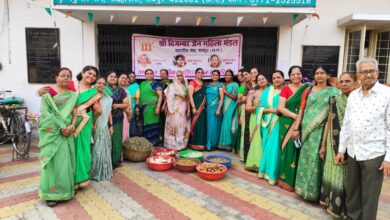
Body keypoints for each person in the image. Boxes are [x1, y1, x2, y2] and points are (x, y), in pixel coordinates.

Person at [336, 57, 390, 220]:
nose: (367, 74)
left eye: (371, 71)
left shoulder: (387, 94)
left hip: (374, 154)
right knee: (353, 193)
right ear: (358, 75)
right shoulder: (353, 96)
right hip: (354, 152)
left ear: (377, 73)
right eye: (363, 72)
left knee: (370, 196)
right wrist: (341, 150)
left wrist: (388, 159)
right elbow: (346, 124)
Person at [293, 66, 340, 201]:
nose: (319, 75)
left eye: (322, 73)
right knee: (305, 159)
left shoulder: (334, 91)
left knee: (317, 162)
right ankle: (302, 190)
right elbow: (302, 110)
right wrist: (296, 128)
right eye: (317, 73)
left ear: (327, 75)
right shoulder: (308, 90)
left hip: (320, 131)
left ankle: (314, 193)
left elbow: (332, 114)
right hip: (306, 130)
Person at [319, 72, 357, 218]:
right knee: (331, 171)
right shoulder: (333, 100)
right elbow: (329, 122)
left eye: (348, 81)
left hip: (351, 143)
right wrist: (323, 145)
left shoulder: (359, 100)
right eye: (341, 81)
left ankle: (344, 208)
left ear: (355, 83)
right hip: (332, 141)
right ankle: (329, 203)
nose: (344, 84)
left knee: (344, 175)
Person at [38, 68, 78, 207]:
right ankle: (51, 194)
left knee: (65, 162)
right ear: (56, 77)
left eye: (68, 76)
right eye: (63, 76)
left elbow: (75, 114)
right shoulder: (47, 93)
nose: (66, 78)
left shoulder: (73, 95)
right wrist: (61, 126)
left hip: (67, 133)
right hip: (53, 133)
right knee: (52, 163)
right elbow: (45, 112)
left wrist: (71, 127)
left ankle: (65, 191)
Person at [278, 66, 309, 192]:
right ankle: (285, 180)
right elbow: (281, 107)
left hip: (302, 123)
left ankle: (297, 180)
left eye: (298, 74)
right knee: (288, 150)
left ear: (302, 75)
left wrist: (300, 119)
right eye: (293, 74)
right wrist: (295, 116)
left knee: (298, 150)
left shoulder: (307, 88)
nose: (296, 76)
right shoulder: (285, 89)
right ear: (289, 76)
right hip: (287, 122)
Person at [73, 66, 101, 189]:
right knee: (71, 148)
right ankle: (71, 178)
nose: (91, 77)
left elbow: (97, 110)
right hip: (70, 120)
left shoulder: (94, 92)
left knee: (84, 148)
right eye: (89, 73)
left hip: (85, 120)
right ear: (83, 73)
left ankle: (81, 178)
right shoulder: (72, 85)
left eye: (94, 76)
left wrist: (98, 110)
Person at [258, 71, 284, 185]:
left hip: (280, 121)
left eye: (279, 77)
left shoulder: (287, 90)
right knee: (268, 147)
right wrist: (272, 110)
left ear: (283, 78)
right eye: (274, 78)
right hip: (267, 122)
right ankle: (265, 171)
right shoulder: (267, 91)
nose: (276, 79)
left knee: (275, 148)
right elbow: (259, 108)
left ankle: (273, 174)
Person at [90, 77, 114, 181]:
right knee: (92, 148)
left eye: (103, 84)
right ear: (94, 84)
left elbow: (109, 112)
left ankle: (102, 171)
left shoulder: (107, 98)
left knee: (102, 147)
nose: (101, 85)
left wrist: (111, 125)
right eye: (99, 83)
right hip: (91, 125)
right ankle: (91, 171)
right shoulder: (89, 96)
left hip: (103, 125)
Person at [105, 71, 130, 168]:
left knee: (117, 139)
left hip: (117, 117)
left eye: (115, 77)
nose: (113, 78)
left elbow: (126, 104)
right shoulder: (103, 88)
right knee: (106, 139)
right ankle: (106, 160)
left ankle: (116, 161)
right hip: (104, 118)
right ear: (107, 78)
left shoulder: (121, 90)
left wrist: (118, 105)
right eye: (111, 76)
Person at [245, 73, 268, 171]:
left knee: (266, 140)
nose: (261, 80)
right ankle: (255, 163)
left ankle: (265, 164)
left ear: (267, 80)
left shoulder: (272, 91)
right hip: (255, 119)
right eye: (259, 80)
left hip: (268, 118)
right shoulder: (253, 93)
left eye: (263, 78)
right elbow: (247, 108)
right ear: (257, 82)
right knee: (256, 140)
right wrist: (255, 107)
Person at [164, 70, 191, 150]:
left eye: (181, 75)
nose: (179, 77)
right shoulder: (171, 86)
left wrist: (188, 110)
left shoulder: (186, 85)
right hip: (174, 109)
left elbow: (188, 99)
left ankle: (182, 145)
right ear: (175, 77)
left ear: (183, 76)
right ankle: (173, 145)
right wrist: (170, 109)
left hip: (183, 108)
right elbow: (169, 98)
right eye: (178, 76)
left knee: (183, 126)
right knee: (174, 126)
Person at [139, 69, 163, 146]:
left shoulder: (156, 84)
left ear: (153, 75)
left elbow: (160, 96)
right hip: (144, 108)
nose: (149, 75)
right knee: (145, 125)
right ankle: (147, 144)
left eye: (150, 73)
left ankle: (154, 143)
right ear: (145, 75)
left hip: (153, 107)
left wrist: (158, 107)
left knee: (153, 125)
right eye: (147, 74)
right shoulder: (142, 84)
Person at [218, 70, 239, 150]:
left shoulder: (235, 85)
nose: (227, 77)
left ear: (232, 76)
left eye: (229, 75)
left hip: (231, 106)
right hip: (224, 106)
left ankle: (230, 145)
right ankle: (224, 144)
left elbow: (235, 97)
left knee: (230, 125)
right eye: (226, 75)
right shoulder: (223, 85)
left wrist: (225, 91)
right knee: (225, 124)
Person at [243, 68, 260, 161]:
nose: (253, 74)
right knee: (248, 131)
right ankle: (248, 157)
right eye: (251, 73)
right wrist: (249, 95)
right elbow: (242, 100)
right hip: (249, 111)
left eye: (255, 73)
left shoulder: (262, 83)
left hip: (261, 112)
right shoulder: (247, 86)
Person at [205, 70, 224, 151]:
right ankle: (208, 143)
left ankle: (213, 144)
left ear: (219, 76)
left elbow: (222, 98)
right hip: (207, 109)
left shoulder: (220, 86)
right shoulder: (208, 85)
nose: (215, 76)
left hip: (216, 108)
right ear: (211, 76)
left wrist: (219, 109)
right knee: (208, 127)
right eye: (213, 75)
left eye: (216, 75)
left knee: (214, 127)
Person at [188, 68, 207, 150]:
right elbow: (190, 96)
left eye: (201, 72)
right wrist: (193, 107)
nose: (200, 74)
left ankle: (201, 144)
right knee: (196, 125)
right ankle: (194, 143)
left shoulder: (204, 83)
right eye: (198, 72)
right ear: (195, 74)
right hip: (196, 108)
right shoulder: (192, 83)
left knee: (202, 126)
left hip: (203, 108)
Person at [232, 70, 247, 155]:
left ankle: (240, 148)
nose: (240, 77)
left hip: (244, 107)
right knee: (240, 127)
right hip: (241, 108)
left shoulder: (246, 85)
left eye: (242, 75)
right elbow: (239, 100)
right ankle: (238, 148)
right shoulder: (241, 85)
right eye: (238, 75)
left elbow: (239, 100)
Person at [238, 71, 251, 160]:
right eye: (244, 75)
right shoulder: (242, 86)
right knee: (244, 130)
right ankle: (243, 155)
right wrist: (247, 98)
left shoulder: (256, 84)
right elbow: (239, 100)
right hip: (244, 108)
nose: (245, 76)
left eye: (247, 74)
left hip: (255, 109)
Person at [126, 72, 141, 136]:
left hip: (132, 106)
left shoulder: (136, 86)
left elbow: (137, 98)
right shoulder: (123, 85)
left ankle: (132, 136)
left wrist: (137, 108)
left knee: (131, 121)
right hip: (123, 106)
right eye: (130, 76)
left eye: (133, 77)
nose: (131, 78)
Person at [159, 69, 171, 146]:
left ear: (167, 75)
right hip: (159, 104)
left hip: (166, 105)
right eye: (161, 73)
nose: (162, 75)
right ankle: (161, 140)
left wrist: (165, 105)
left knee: (165, 123)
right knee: (161, 123)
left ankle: (165, 141)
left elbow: (168, 95)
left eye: (164, 73)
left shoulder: (169, 83)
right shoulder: (159, 83)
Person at [118, 73, 131, 142]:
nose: (124, 79)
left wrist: (129, 115)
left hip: (126, 115)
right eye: (122, 77)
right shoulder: (116, 90)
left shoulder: (127, 91)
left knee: (125, 133)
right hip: (118, 115)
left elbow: (129, 104)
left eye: (125, 78)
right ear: (118, 79)